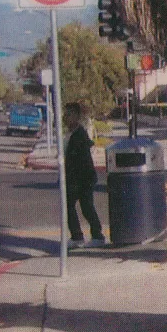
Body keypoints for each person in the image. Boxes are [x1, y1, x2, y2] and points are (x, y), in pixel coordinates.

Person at [62, 102, 105, 248]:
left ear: (76, 116)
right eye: (65, 114)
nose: (65, 118)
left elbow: (81, 159)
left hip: (82, 178)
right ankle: (78, 236)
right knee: (70, 206)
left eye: (69, 114)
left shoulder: (79, 135)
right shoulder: (70, 134)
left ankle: (96, 236)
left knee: (86, 207)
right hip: (74, 178)